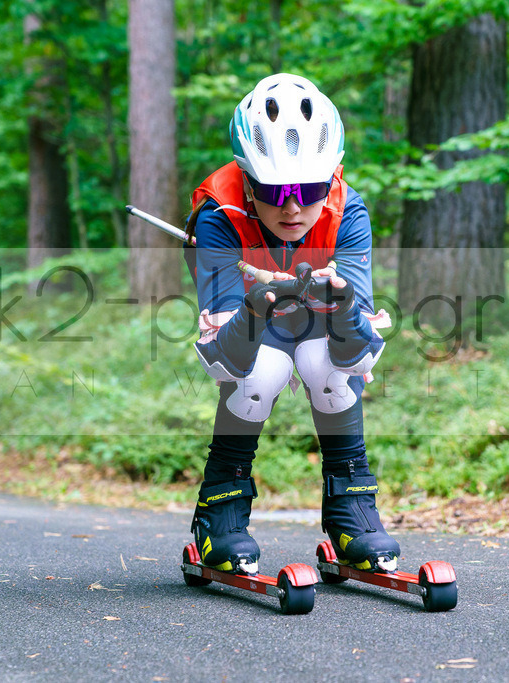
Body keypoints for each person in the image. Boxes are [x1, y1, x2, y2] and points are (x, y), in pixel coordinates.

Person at [183, 73, 399, 576]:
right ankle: (220, 509)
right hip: (250, 328)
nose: (293, 206)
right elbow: (225, 361)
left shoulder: (348, 211)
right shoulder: (218, 215)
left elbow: (361, 353)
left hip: (322, 322)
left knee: (331, 371)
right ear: (246, 179)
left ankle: (352, 509)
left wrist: (344, 306)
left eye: (310, 188)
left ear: (333, 177)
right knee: (257, 378)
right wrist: (257, 305)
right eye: (274, 190)